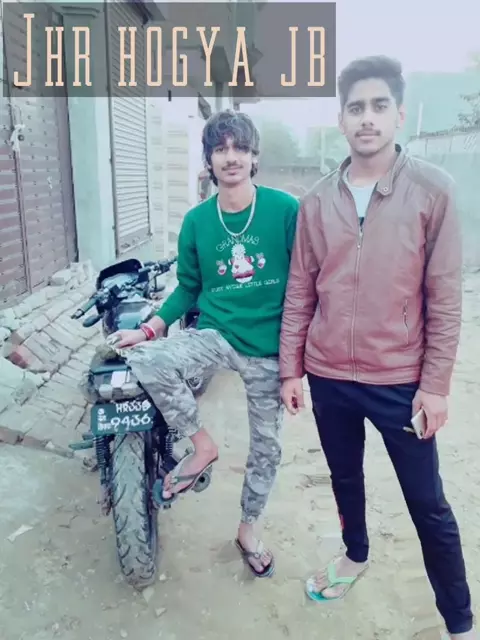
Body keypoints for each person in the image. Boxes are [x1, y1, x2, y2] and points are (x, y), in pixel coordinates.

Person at [279, 56, 476, 638]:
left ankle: (459, 621)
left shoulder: (432, 192)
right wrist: (291, 370)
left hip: (400, 381)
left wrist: (435, 386)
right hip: (329, 377)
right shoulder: (317, 201)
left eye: (379, 106)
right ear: (341, 119)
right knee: (345, 479)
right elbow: (300, 289)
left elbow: (445, 298)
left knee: (428, 504)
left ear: (399, 114)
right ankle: (355, 555)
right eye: (356, 108)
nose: (367, 118)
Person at [109, 109, 299, 578]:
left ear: (254, 157)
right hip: (216, 335)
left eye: (240, 148)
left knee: (268, 448)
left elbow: (305, 284)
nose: (231, 158)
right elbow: (188, 287)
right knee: (145, 359)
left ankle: (248, 530)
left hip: (269, 348)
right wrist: (149, 329)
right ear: (209, 160)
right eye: (220, 149)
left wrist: (295, 364)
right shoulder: (197, 221)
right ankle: (202, 445)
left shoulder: (285, 210)